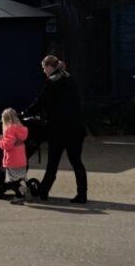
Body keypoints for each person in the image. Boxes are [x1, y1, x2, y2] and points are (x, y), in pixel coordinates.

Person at [24, 54, 88, 203]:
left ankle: (44, 192)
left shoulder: (52, 82)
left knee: (52, 163)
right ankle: (82, 194)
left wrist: (24, 113)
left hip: (59, 130)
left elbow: (40, 102)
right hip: (76, 129)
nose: (43, 71)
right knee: (76, 162)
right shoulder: (69, 79)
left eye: (44, 68)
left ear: (49, 67)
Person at [0, 107, 30, 205]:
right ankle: (23, 192)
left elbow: (8, 145)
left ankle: (20, 193)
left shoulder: (10, 129)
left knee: (11, 181)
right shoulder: (21, 128)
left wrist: (0, 141)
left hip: (12, 161)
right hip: (21, 160)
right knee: (18, 179)